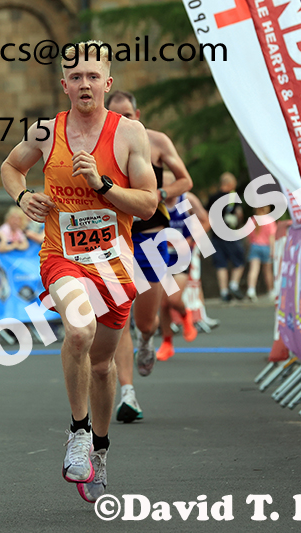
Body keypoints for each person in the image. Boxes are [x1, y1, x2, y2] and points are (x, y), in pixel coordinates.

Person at [0, 40, 157, 503]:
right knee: (80, 332)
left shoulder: (130, 134)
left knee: (105, 365)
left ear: (107, 84)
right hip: (61, 256)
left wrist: (102, 184)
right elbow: (11, 167)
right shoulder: (46, 132)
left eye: (93, 76)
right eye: (76, 77)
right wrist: (22, 196)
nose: (84, 83)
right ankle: (78, 430)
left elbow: (148, 204)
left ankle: (101, 451)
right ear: (64, 85)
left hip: (114, 265)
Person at [106, 89, 193, 423]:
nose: (122, 122)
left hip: (151, 239)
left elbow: (186, 179)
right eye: (116, 116)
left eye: (128, 115)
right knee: (117, 320)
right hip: (113, 241)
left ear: (137, 116)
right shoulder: (99, 144)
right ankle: (127, 393)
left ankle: (148, 340)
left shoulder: (156, 141)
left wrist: (159, 192)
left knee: (145, 321)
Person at [156, 186, 210, 361]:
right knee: (163, 304)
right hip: (160, 257)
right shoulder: (156, 200)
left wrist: (193, 240)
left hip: (180, 258)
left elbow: (206, 220)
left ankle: (185, 315)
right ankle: (167, 343)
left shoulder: (186, 201)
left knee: (172, 300)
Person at [206, 172, 246, 302]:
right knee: (239, 260)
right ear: (229, 184)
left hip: (215, 235)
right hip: (229, 234)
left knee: (220, 264)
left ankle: (224, 292)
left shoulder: (212, 197)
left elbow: (206, 215)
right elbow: (239, 215)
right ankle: (233, 285)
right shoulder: (232, 197)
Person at [245, 205, 277, 302]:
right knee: (267, 271)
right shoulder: (270, 220)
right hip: (266, 247)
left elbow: (247, 236)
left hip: (255, 246)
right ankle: (271, 291)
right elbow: (272, 237)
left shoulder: (252, 220)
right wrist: (273, 250)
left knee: (253, 270)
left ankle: (251, 290)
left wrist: (249, 246)